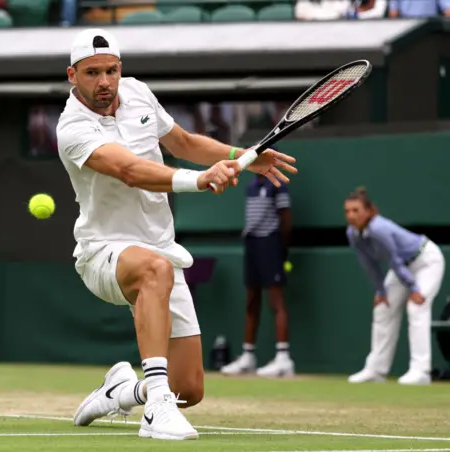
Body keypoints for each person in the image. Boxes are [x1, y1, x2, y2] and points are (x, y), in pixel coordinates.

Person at [55, 28, 298, 441]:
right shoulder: (72, 128)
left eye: (111, 71)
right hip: (103, 253)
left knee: (188, 388)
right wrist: (200, 181)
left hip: (161, 248)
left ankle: (125, 390)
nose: (104, 82)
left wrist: (243, 157)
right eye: (92, 73)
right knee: (153, 269)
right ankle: (156, 413)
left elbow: (182, 142)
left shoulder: (138, 93)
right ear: (72, 75)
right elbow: (130, 171)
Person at [345, 187, 445, 385]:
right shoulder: (353, 233)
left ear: (369, 211)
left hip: (426, 261)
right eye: (347, 211)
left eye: (356, 210)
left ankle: (421, 371)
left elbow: (394, 259)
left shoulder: (379, 228)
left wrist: (414, 288)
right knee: (382, 308)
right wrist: (381, 291)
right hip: (402, 268)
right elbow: (369, 264)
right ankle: (375, 370)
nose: (351, 216)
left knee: (417, 307)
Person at [220, 173, 293, 378]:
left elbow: (286, 217)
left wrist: (281, 248)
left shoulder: (278, 185)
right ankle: (248, 356)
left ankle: (283, 358)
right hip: (252, 243)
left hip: (271, 243)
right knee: (251, 300)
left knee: (276, 301)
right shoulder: (251, 186)